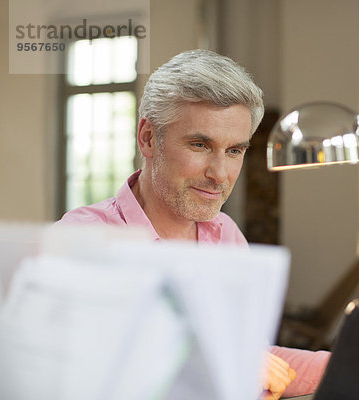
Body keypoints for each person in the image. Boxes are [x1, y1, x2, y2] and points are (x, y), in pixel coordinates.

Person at [58, 49, 330, 399]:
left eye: (234, 151)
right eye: (200, 144)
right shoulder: (85, 238)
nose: (220, 175)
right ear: (148, 138)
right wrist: (220, 364)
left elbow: (260, 361)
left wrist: (358, 364)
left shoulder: (226, 235)